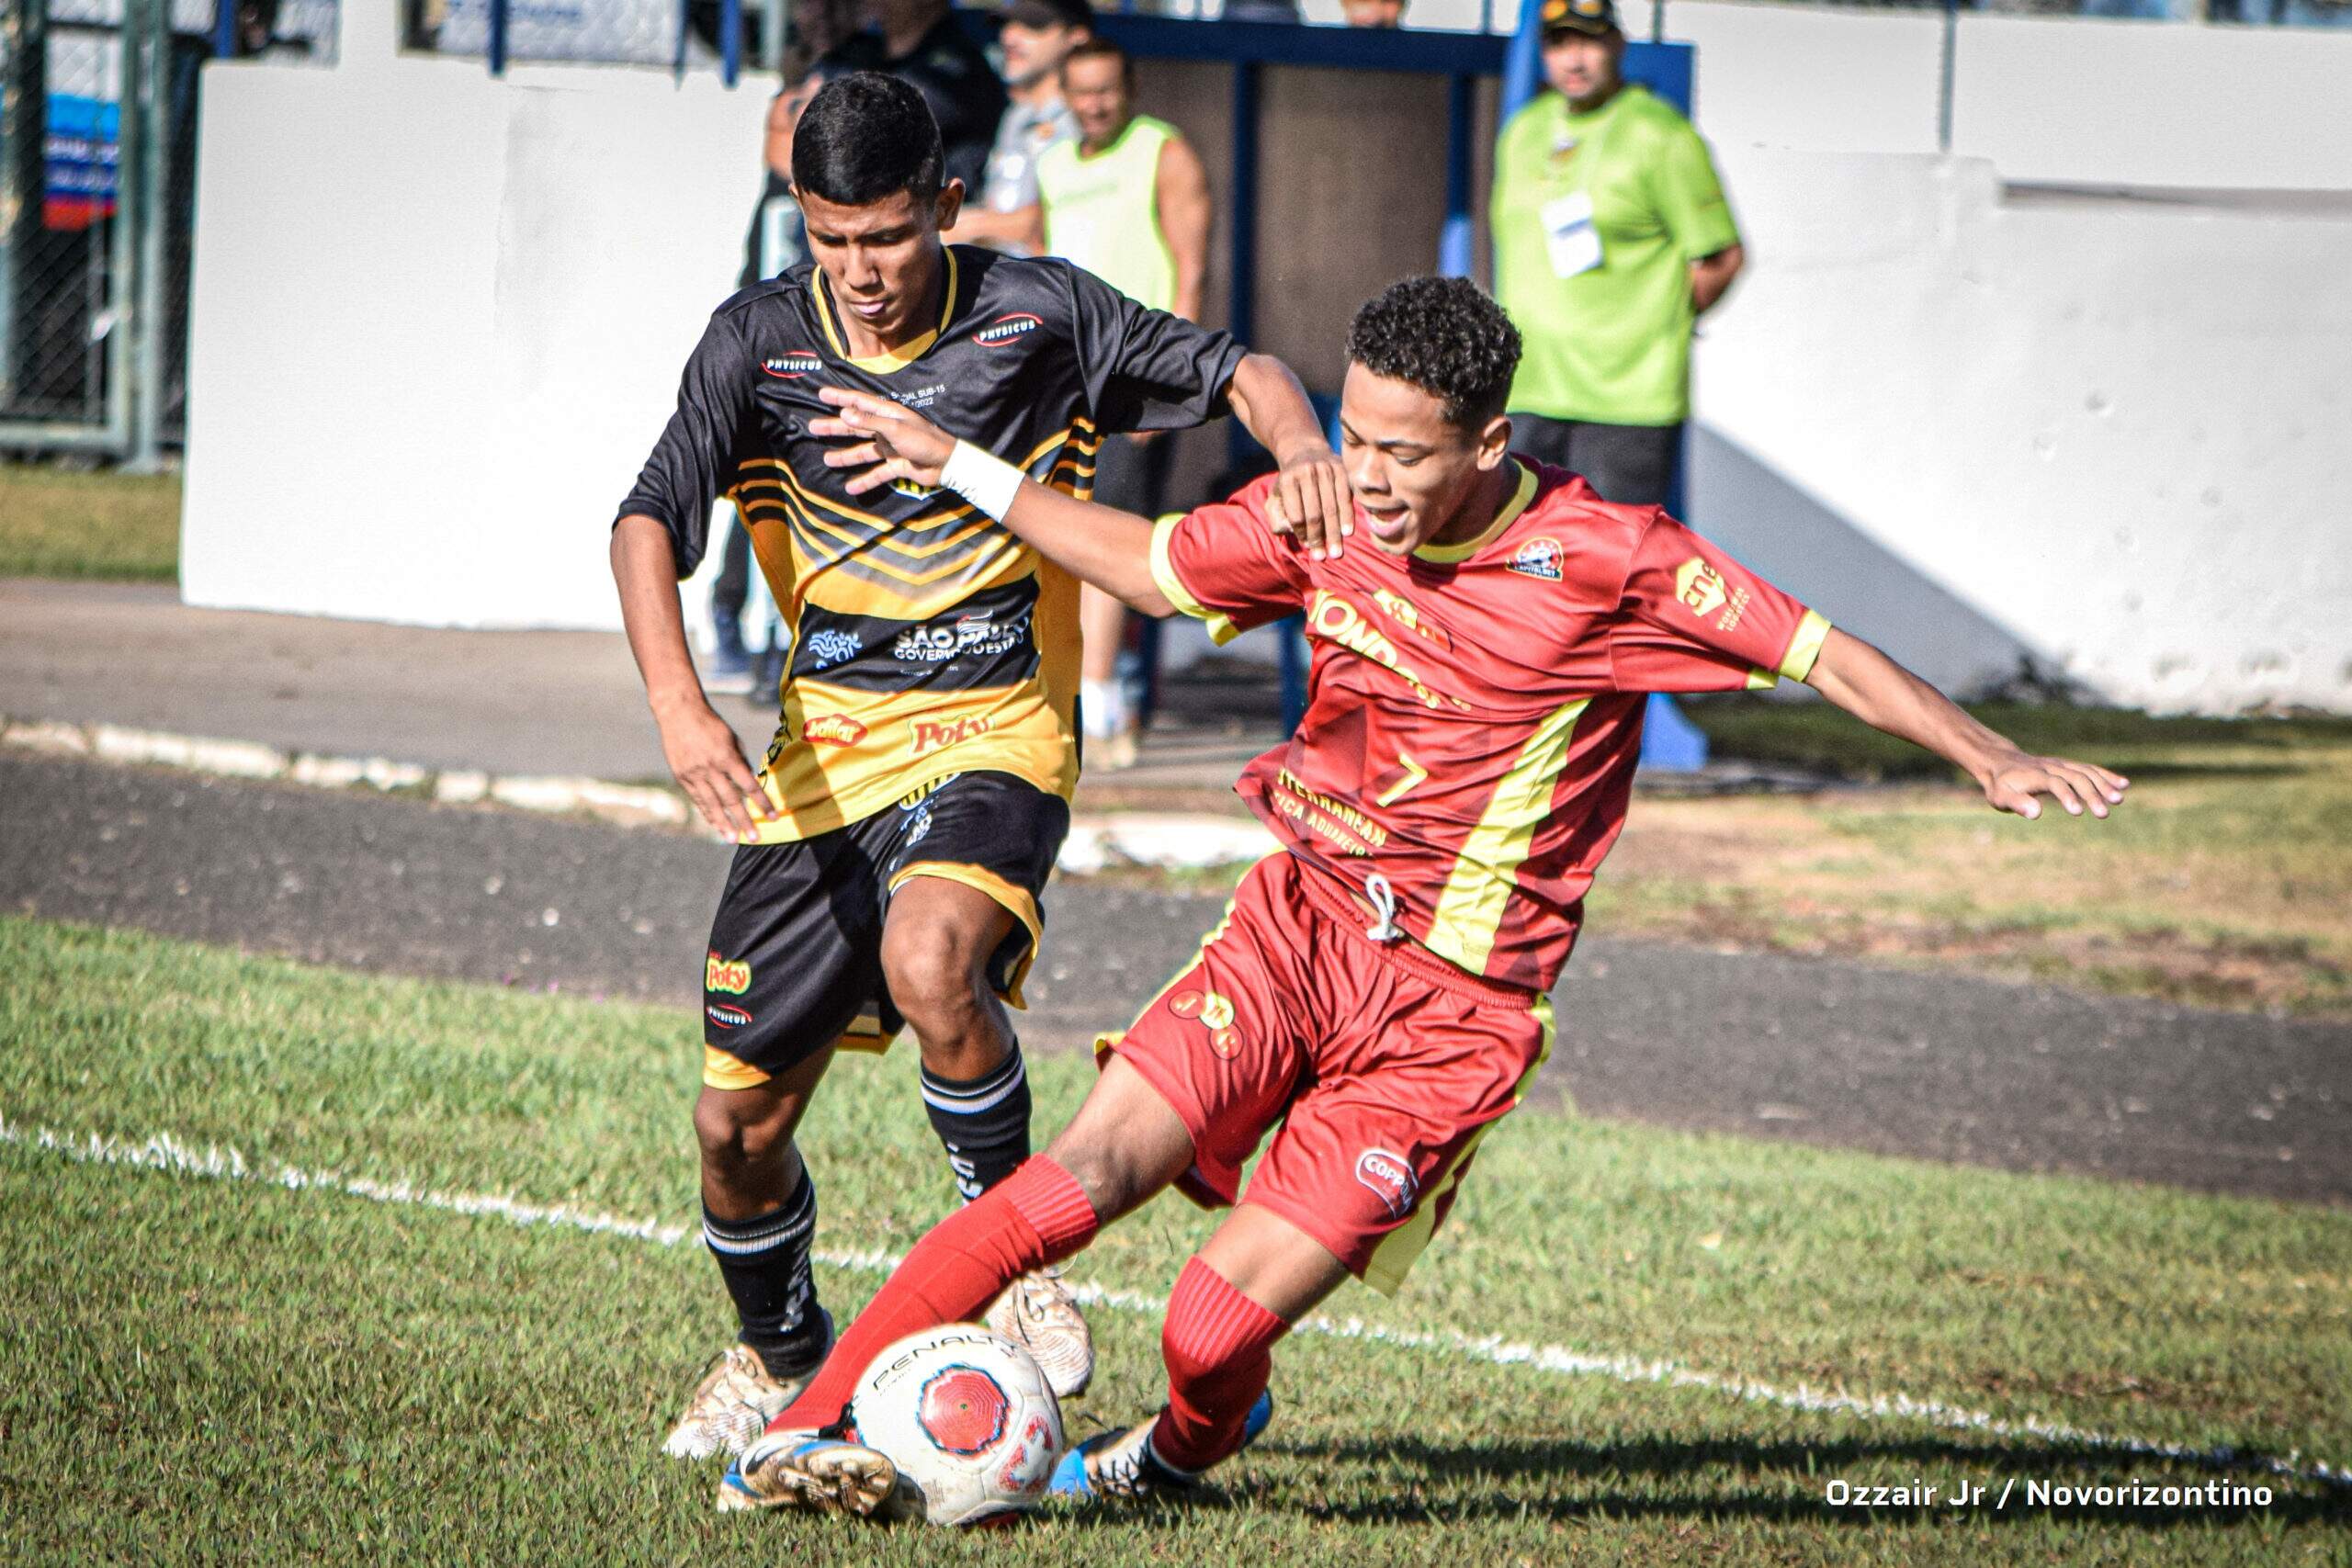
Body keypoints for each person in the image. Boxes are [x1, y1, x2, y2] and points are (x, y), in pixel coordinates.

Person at [712, 275, 2129, 1515]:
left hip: (1454, 1016)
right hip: (1298, 929)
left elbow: (1821, 649)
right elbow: (1143, 568)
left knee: (1209, 1330)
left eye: (1402, 452)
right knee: (1070, 1184)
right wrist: (952, 457)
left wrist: (1988, 753)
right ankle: (795, 1430)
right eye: (1353, 430)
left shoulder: (1610, 560)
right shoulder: (1324, 507)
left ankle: (1184, 1451)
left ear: (1489, 444)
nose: (1366, 474)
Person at [607, 73, 1349, 1486]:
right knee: (733, 1125)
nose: (860, 274)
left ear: (942, 207)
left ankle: (1008, 1256)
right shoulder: (755, 345)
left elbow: (1241, 368)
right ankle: (777, 1349)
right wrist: (679, 706)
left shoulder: (1042, 315)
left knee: (933, 954)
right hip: (820, 771)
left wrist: (1302, 443)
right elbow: (649, 518)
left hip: (998, 733)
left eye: (884, 237)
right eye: (830, 240)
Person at [1019, 36, 1215, 766]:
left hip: (1131, 378)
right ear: (1064, 94)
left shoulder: (1163, 151)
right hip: (1055, 380)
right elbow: (1038, 267)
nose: (1095, 103)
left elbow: (1190, 268)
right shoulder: (1054, 165)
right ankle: (1058, 694)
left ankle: (1101, 703)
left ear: (1130, 87)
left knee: (1109, 539)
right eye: (1082, 90)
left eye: (1107, 89)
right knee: (1049, 536)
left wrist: (1175, 382)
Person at [1489, 0, 1743, 507]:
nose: (1575, 59)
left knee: (1608, 573)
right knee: (1512, 567)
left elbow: (1721, 257)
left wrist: (1653, 322)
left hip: (1625, 402)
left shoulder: (1660, 135)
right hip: (1527, 391)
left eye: (1589, 40)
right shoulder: (1524, 131)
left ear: (1618, 45)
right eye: (1560, 43)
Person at [818, 0, 1008, 198]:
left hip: (928, 219)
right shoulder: (856, 53)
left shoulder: (957, 69)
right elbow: (793, 113)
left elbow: (870, 132)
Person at [949, 0, 1091, 257]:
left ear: (1077, 38)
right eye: (1006, 25)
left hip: (1053, 284)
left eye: (1032, 25)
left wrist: (966, 227)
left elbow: (1063, 215)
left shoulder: (1085, 119)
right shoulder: (1014, 116)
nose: (1009, 37)